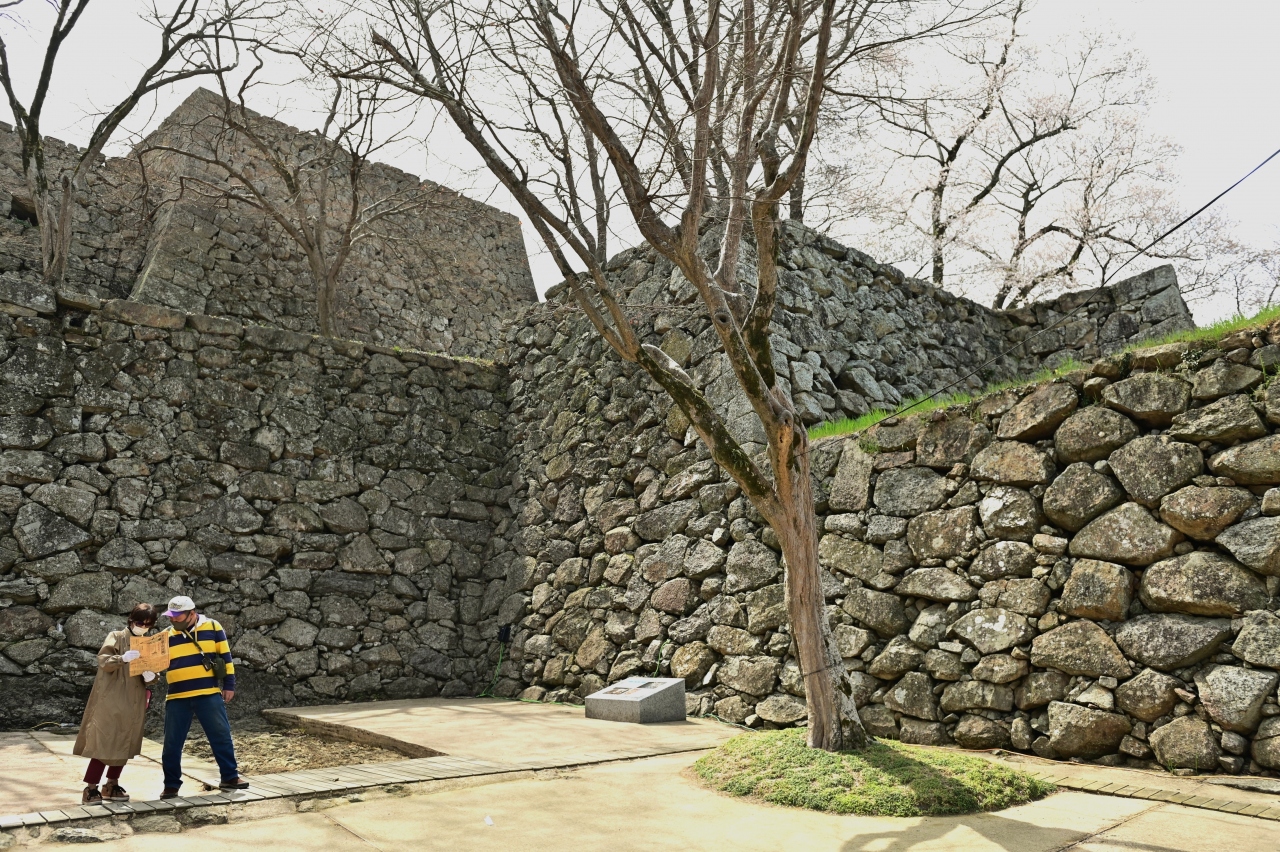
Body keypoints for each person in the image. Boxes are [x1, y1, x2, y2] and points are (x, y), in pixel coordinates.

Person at [159, 595, 249, 798]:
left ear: (191, 614)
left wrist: (229, 685)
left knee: (221, 735)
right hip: (177, 695)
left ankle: (230, 776)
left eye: (177, 616)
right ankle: (171, 784)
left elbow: (226, 657)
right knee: (171, 743)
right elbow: (156, 664)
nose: (173, 620)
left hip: (208, 693)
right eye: (170, 616)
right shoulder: (164, 635)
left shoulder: (214, 627)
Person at [73, 603, 159, 804]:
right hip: (111, 699)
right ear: (131, 620)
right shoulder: (117, 636)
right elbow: (104, 661)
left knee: (125, 742)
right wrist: (122, 658)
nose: (143, 627)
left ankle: (111, 784)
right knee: (104, 743)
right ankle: (91, 788)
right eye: (140, 623)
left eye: (148, 625)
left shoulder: (149, 643)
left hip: (134, 700)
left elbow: (155, 670)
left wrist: (152, 676)